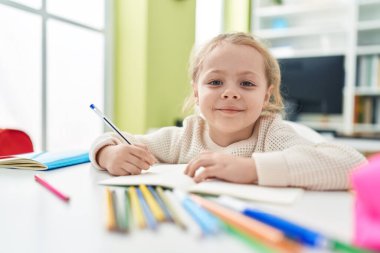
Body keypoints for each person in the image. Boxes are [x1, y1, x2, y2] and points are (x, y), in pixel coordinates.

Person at [90, 32, 366, 190]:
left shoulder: (272, 135)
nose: (230, 92)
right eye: (215, 82)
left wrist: (252, 169)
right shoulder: (184, 137)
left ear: (265, 95)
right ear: (197, 91)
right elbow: (117, 140)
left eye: (246, 83)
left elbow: (354, 166)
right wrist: (108, 154)